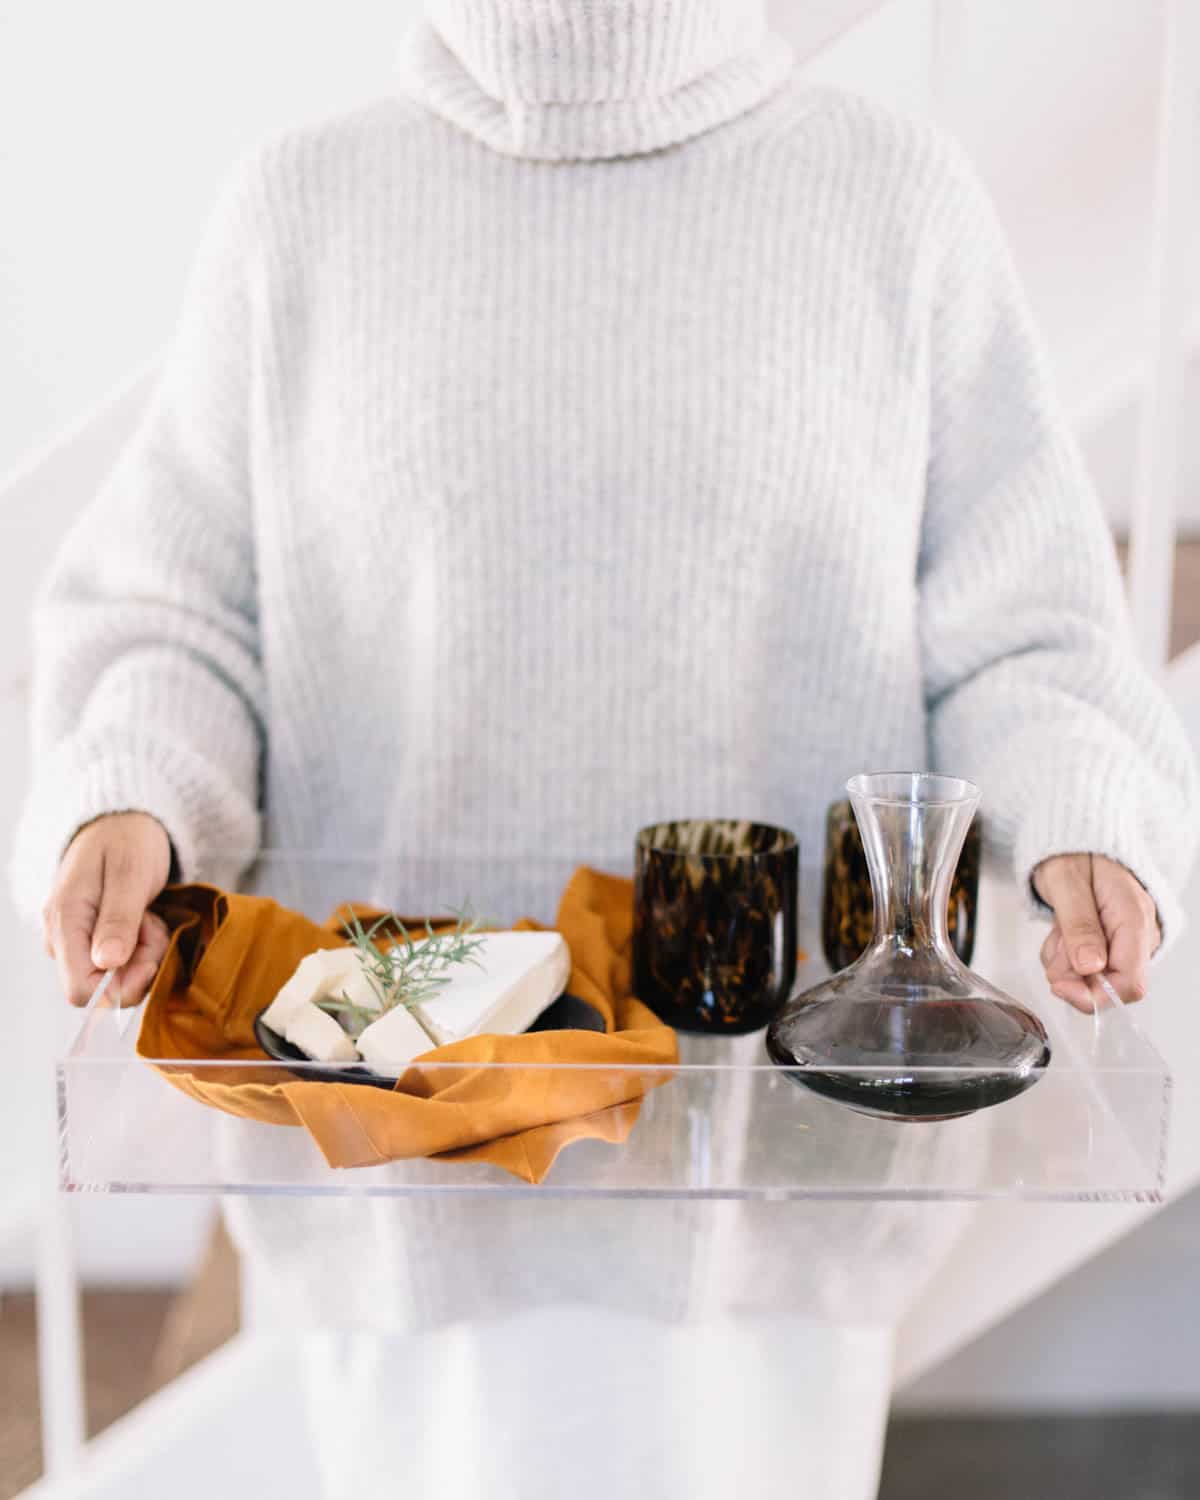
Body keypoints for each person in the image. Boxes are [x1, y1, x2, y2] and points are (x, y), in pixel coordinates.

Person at [10, 2, 1198, 1495]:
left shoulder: (892, 197)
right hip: (403, 1167)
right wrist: (128, 795)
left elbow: (1025, 634)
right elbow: (169, 619)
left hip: (778, 1192)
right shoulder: (301, 210)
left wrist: (1083, 818)